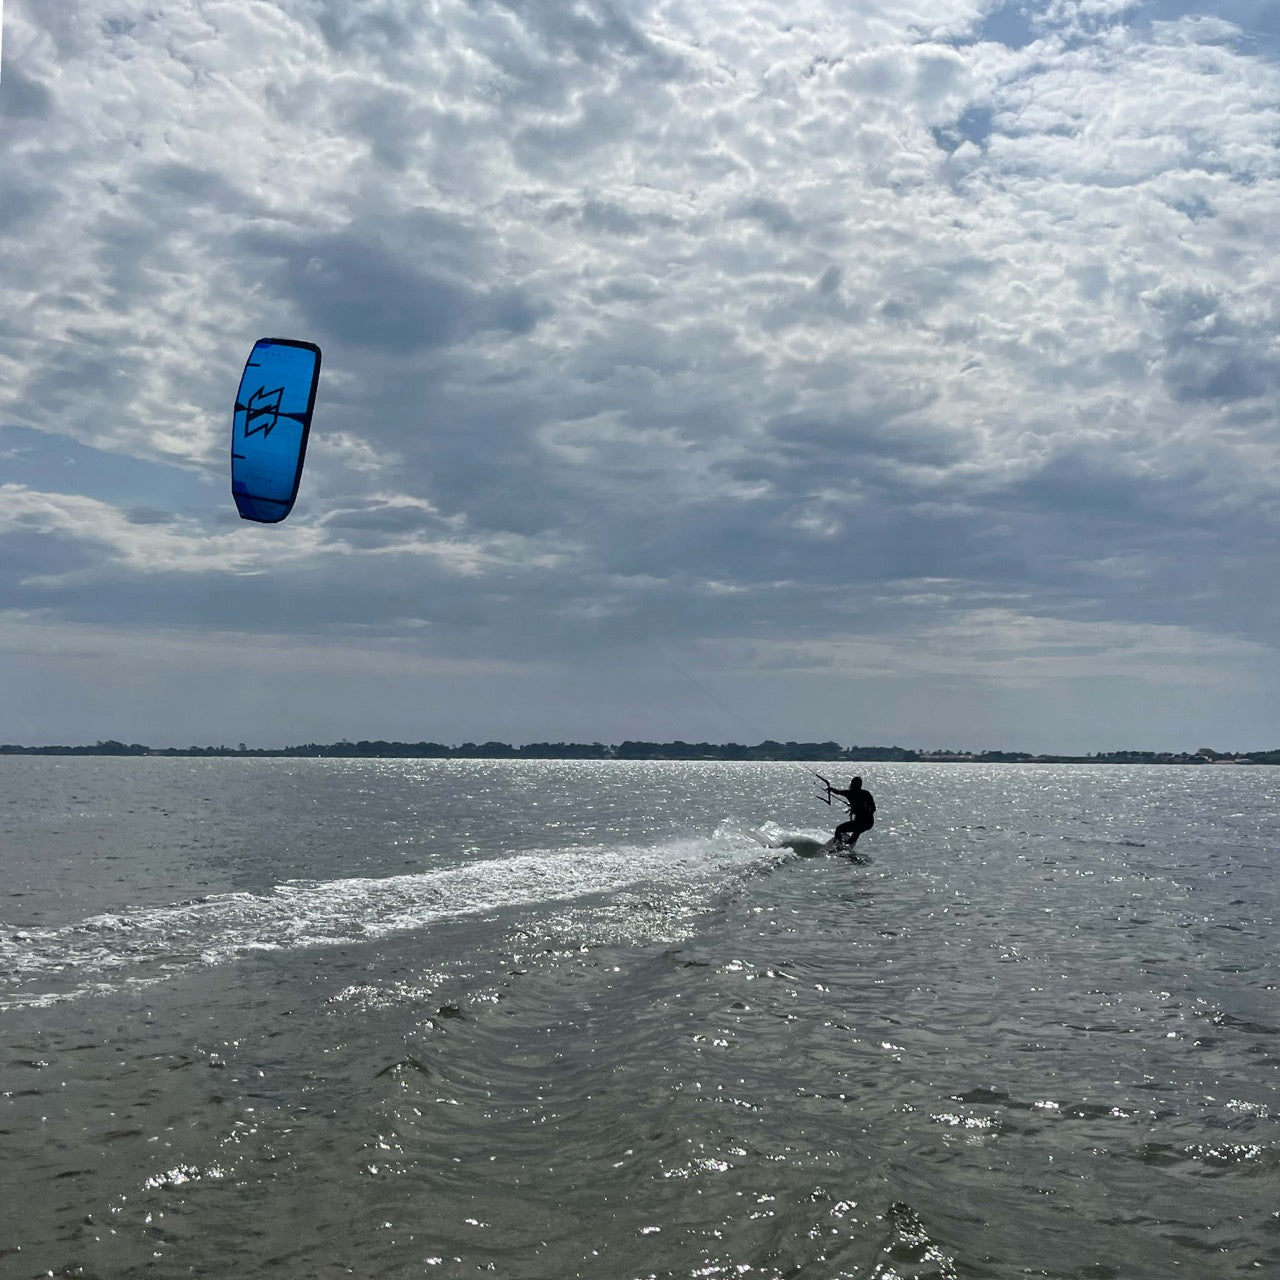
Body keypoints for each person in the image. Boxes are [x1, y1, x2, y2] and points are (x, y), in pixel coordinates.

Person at [820, 775, 876, 848]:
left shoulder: (852, 793)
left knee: (847, 830)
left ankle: (841, 845)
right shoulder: (862, 793)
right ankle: (841, 845)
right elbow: (837, 791)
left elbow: (836, 791)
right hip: (865, 822)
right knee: (845, 830)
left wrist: (830, 789)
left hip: (864, 822)